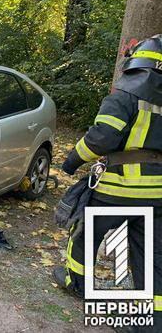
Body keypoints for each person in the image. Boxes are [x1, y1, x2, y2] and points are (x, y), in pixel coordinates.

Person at [53, 34, 162, 331]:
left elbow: (102, 137)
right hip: (158, 196)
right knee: (150, 255)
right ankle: (153, 320)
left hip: (117, 190)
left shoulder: (123, 96)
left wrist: (71, 160)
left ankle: (75, 282)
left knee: (85, 235)